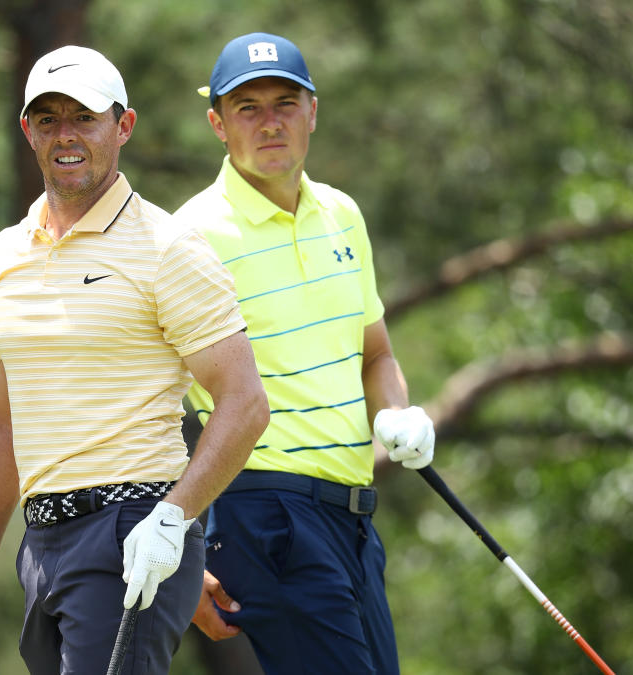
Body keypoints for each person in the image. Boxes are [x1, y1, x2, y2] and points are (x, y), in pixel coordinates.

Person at [0, 45, 269, 675]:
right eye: (48, 119)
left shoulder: (169, 248)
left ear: (123, 126)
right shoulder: (1, 258)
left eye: (85, 117)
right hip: (41, 546)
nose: (66, 135)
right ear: (27, 131)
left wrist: (173, 519)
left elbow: (245, 403)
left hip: (134, 529)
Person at [175, 33, 437, 675]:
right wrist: (183, 549)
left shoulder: (343, 215)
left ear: (313, 112)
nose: (270, 122)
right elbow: (148, 405)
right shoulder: (190, 236)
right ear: (218, 124)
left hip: (352, 514)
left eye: (285, 103)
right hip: (263, 512)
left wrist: (397, 414)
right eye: (248, 107)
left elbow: (375, 352)